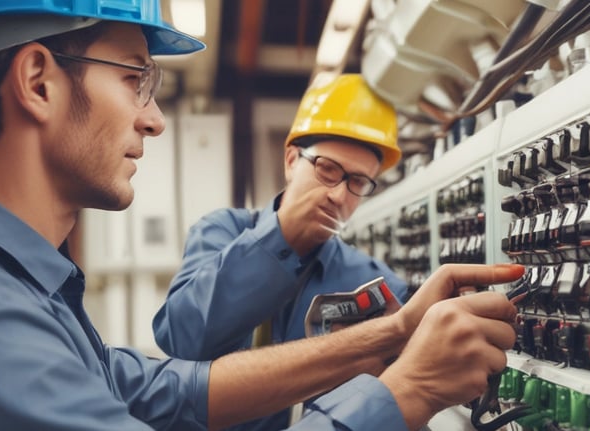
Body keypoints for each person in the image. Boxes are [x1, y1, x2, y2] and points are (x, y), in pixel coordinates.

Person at [0, 1, 523, 431]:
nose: (155, 118)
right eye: (137, 78)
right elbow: (185, 341)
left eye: (360, 182)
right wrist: (408, 390)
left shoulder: (23, 290)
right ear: (37, 81)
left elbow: (174, 390)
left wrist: (395, 332)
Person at [152, 73, 409, 430]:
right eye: (327, 169)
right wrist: (281, 237)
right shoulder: (221, 232)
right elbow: (182, 339)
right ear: (291, 161)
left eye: (358, 182)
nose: (338, 195)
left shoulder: (375, 285)